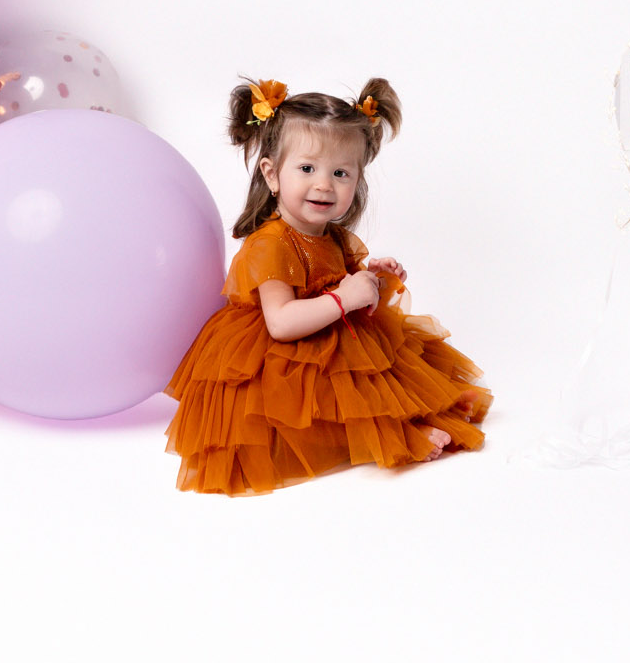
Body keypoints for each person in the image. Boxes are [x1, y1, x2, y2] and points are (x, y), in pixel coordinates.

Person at [165, 76, 490, 494]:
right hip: (281, 357)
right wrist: (342, 298)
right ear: (272, 174)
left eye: (340, 172)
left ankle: (409, 416)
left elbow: (349, 291)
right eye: (307, 169)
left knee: (378, 366)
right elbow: (281, 323)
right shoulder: (271, 243)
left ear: (357, 180)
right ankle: (393, 433)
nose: (324, 184)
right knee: (325, 396)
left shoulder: (333, 236)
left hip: (329, 334)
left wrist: (373, 278)